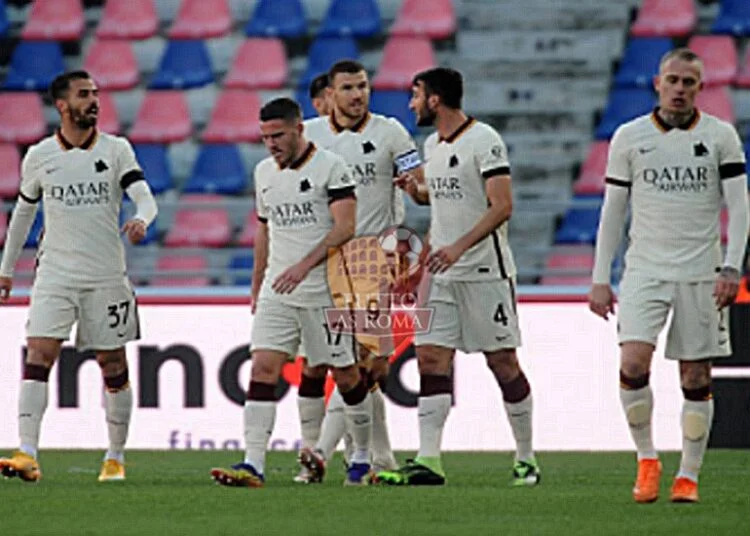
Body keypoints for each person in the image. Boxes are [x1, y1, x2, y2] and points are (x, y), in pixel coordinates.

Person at [589, 48, 749, 504]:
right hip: (644, 270)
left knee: (695, 377)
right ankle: (647, 459)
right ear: (657, 83)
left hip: (702, 272)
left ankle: (690, 475)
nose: (680, 89)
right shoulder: (629, 137)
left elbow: (739, 207)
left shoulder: (720, 136)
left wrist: (732, 266)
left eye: (690, 83)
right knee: (633, 363)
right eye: (673, 80)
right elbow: (613, 211)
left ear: (701, 88)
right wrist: (600, 277)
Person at [375, 67, 540, 486]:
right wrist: (421, 263)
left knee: (502, 362)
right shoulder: (432, 145)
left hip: (485, 271)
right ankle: (429, 461)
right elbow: (445, 208)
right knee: (430, 357)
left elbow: (502, 206)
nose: (411, 104)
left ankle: (526, 457)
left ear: (434, 100)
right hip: (442, 273)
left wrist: (458, 248)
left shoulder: (485, 140)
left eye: (416, 96)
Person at [0, 70, 158, 483]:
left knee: (113, 364)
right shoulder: (39, 156)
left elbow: (143, 194)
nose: (94, 101)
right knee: (38, 353)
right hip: (54, 273)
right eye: (84, 95)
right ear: (62, 105)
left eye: (96, 94)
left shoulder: (116, 149)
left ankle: (115, 456)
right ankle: (28, 452)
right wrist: (5, 270)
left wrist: (142, 218)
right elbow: (23, 217)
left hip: (106, 276)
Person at [209, 97, 374, 488]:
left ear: (299, 129)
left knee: (347, 376)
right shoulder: (264, 172)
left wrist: (304, 265)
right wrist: (257, 282)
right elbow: (264, 229)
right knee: (263, 367)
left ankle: (362, 457)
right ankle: (253, 464)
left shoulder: (332, 167)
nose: (271, 144)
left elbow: (345, 227)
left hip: (324, 291)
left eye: (278, 135)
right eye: (265, 137)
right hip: (277, 292)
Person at [294, 60, 424, 483]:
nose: (358, 94)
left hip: (373, 261)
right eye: (348, 87)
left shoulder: (391, 133)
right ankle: (378, 456)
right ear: (329, 95)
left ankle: (320, 455)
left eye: (363, 86)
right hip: (323, 260)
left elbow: (419, 187)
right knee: (331, 363)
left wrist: (416, 189)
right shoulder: (309, 136)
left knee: (366, 364)